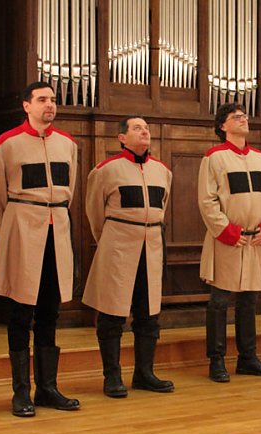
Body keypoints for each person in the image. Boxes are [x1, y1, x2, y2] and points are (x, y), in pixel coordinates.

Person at [0, 81, 80, 416]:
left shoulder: (68, 144)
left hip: (58, 232)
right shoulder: (6, 144)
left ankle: (48, 388)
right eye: (41, 100)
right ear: (26, 105)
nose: (49, 105)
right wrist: (14, 232)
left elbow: (72, 189)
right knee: (20, 312)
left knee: (50, 312)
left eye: (52, 100)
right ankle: (21, 392)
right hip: (23, 230)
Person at [83, 116, 174, 397]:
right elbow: (94, 213)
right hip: (118, 247)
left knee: (148, 315)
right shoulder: (105, 170)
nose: (144, 131)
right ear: (122, 137)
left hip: (152, 248)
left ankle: (144, 373)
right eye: (137, 128)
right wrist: (112, 239)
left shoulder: (163, 171)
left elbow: (162, 208)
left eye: (146, 128)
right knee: (112, 314)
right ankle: (112, 376)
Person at [198, 103, 261, 383]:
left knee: (249, 301)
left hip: (254, 240)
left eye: (245, 115)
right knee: (219, 302)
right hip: (227, 241)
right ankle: (217, 360)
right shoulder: (214, 157)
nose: (243, 119)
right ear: (223, 126)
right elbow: (207, 201)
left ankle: (248, 358)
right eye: (236, 117)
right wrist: (228, 232)